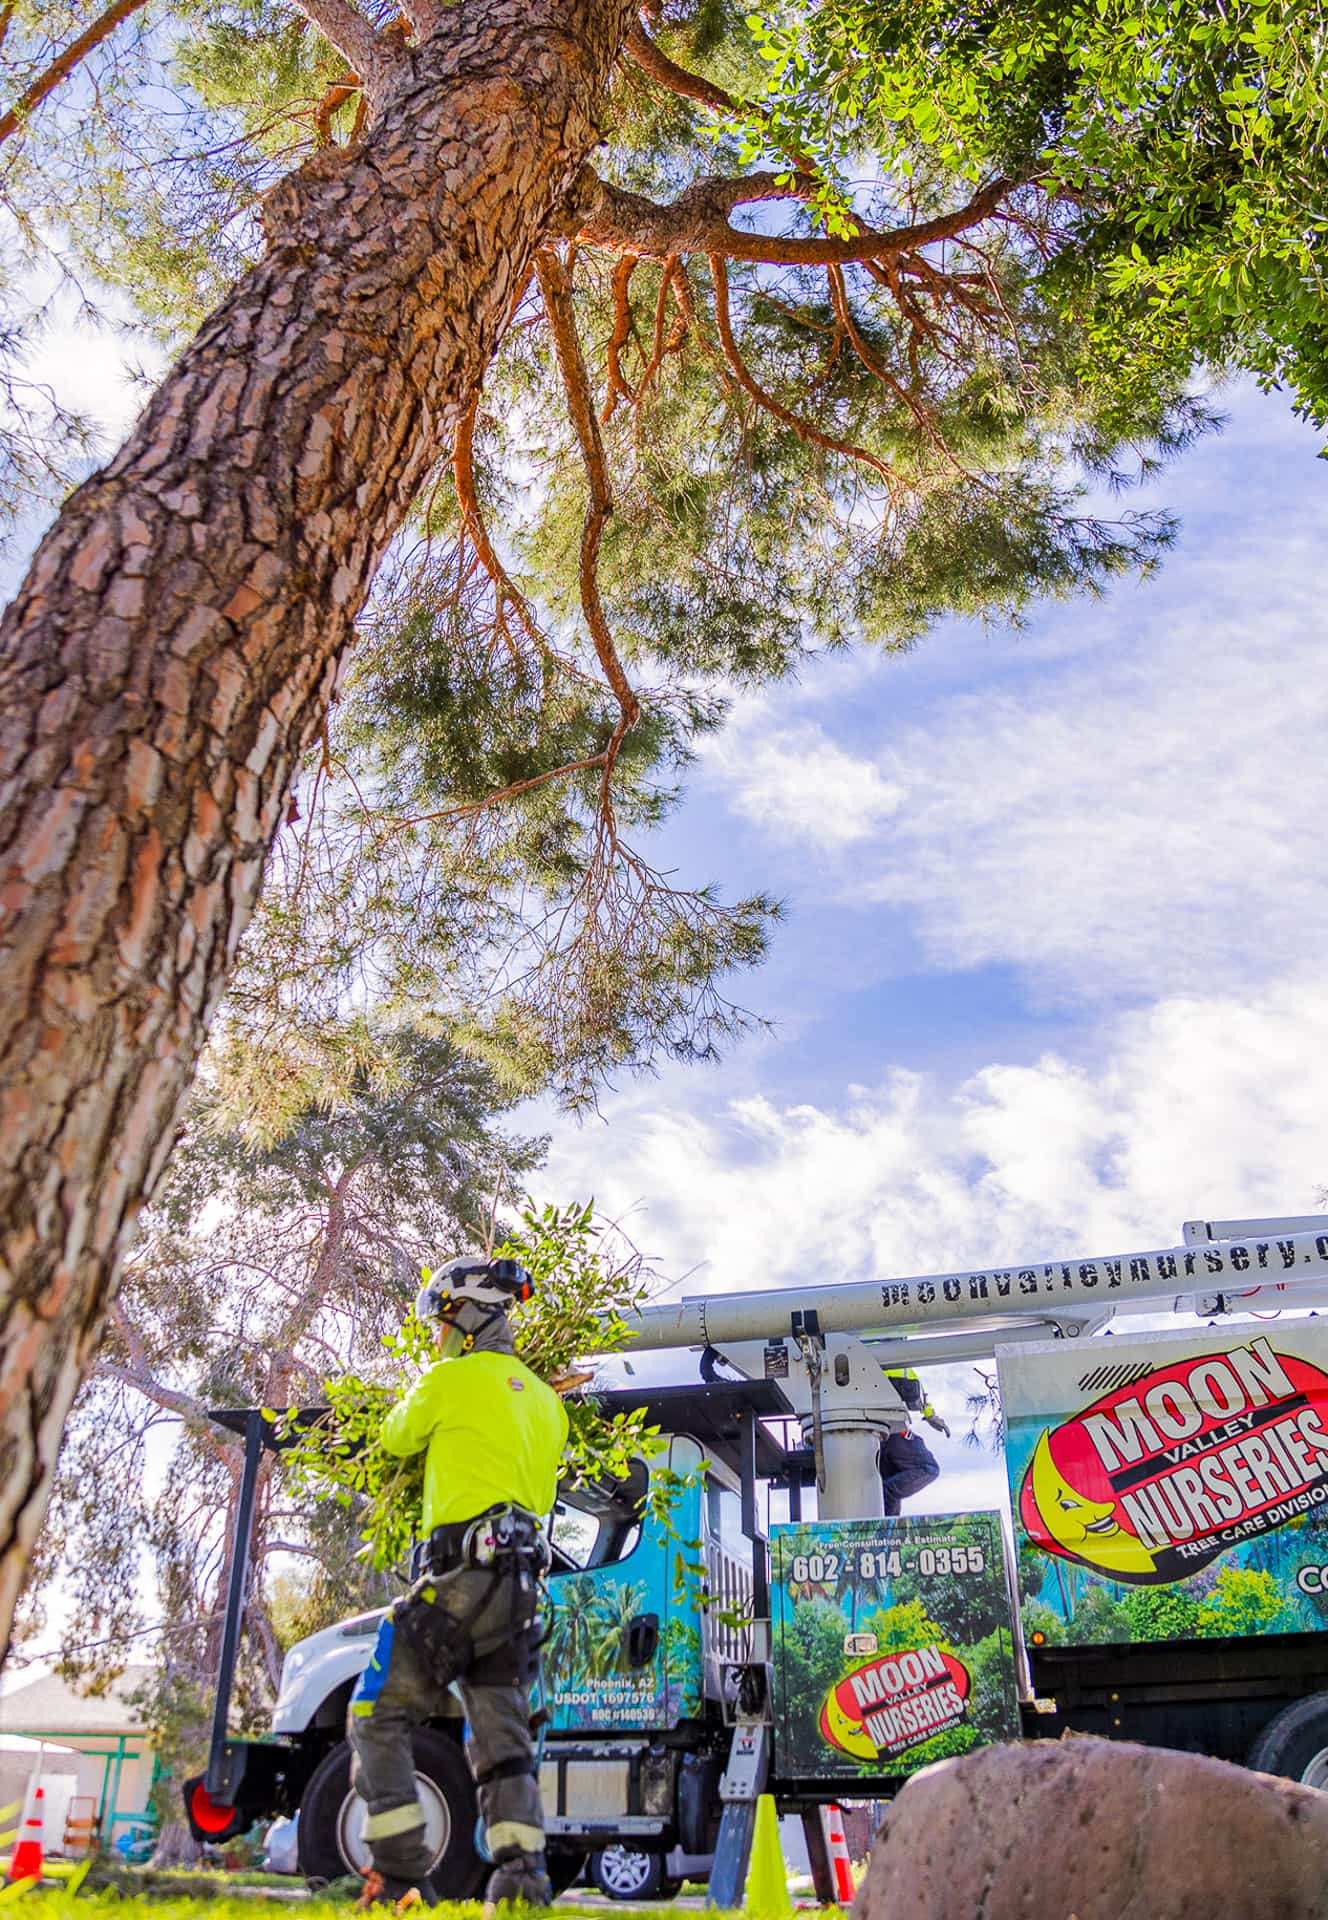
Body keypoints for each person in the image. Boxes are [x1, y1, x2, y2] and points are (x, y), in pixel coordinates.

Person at [346, 1257, 569, 1910]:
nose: (437, 1336)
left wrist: (429, 1384)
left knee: (376, 1713)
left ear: (470, 1319)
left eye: (443, 1321)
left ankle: (399, 1876)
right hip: (521, 1594)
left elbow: (394, 1439)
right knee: (505, 1748)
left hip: (458, 1585)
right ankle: (522, 1887)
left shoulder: (449, 1379)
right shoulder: (548, 1405)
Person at [879, 1367, 950, 1516]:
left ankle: (885, 1524)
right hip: (892, 1427)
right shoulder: (894, 1356)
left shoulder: (850, 1354)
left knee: (891, 1480)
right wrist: (930, 1415)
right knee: (928, 1468)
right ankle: (883, 1503)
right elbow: (915, 1391)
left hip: (868, 1432)